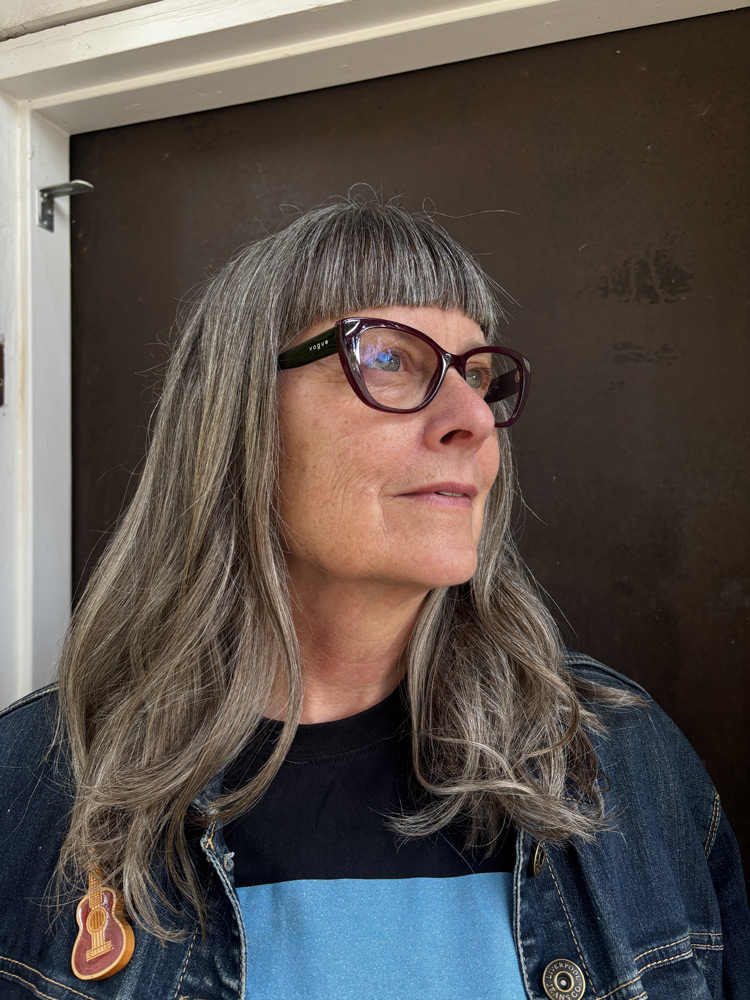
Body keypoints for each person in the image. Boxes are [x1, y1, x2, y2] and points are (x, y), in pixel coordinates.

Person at [0, 196, 747, 1000]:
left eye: (477, 376)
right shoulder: (29, 788)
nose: (473, 419)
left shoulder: (621, 761)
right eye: (388, 358)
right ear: (237, 413)